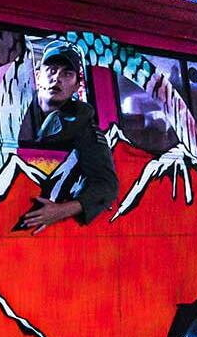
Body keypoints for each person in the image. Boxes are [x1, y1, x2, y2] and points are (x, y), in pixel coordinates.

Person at [16, 45, 120, 232]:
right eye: (51, 70)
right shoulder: (13, 112)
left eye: (67, 74)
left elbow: (106, 185)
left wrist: (61, 211)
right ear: (38, 76)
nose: (57, 78)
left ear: (76, 86)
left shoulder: (83, 126)